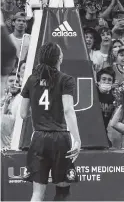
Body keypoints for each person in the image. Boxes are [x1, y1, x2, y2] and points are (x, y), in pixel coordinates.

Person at [20, 42, 81, 201]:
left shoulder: (31, 80)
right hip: (60, 138)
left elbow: (22, 114)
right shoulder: (66, 79)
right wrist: (77, 139)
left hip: (39, 138)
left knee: (37, 193)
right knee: (62, 192)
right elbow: (68, 110)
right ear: (59, 57)